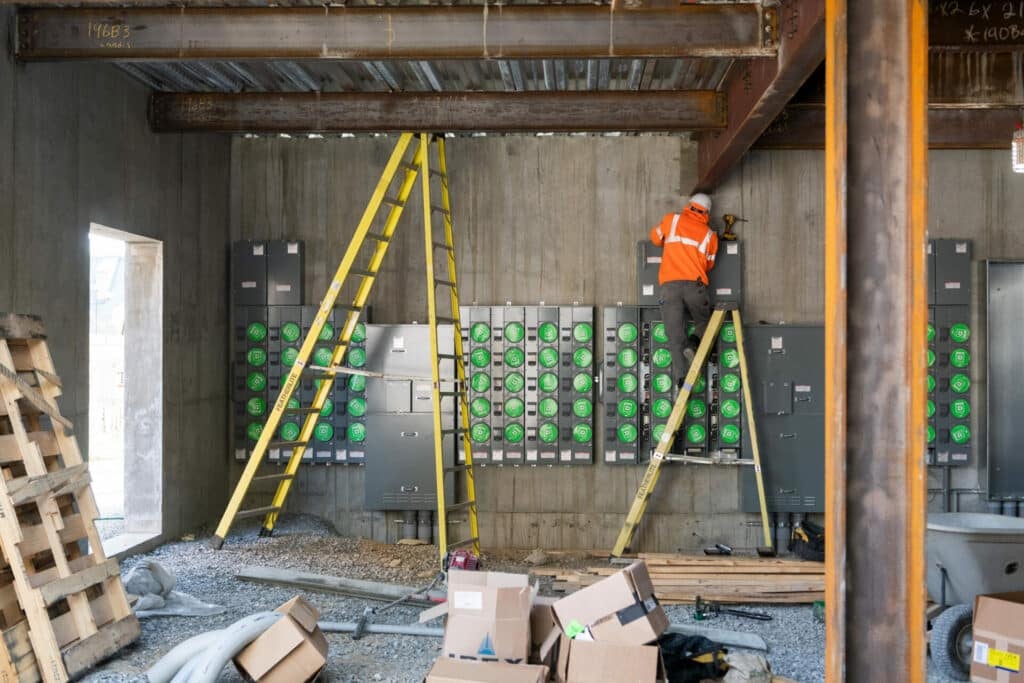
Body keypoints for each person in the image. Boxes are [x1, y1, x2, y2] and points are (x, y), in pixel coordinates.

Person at [649, 193, 718, 392]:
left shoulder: (673, 220)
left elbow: (655, 239)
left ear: (690, 206)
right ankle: (695, 343)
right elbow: (709, 264)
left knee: (674, 335)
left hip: (670, 288)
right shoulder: (710, 235)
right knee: (704, 322)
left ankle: (682, 381)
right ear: (707, 212)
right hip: (695, 287)